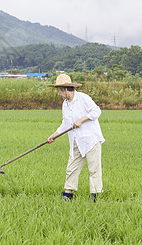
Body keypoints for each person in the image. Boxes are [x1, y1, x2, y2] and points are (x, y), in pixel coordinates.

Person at [47, 74, 105, 202]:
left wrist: (82, 120)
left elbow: (96, 111)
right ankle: (67, 196)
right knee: (71, 168)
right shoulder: (65, 104)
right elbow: (65, 123)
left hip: (90, 140)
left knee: (94, 169)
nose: (58, 94)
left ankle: (94, 197)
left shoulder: (83, 98)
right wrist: (54, 135)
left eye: (59, 91)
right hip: (76, 141)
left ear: (67, 89)